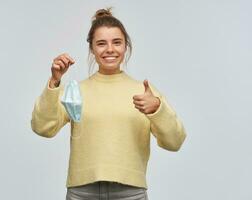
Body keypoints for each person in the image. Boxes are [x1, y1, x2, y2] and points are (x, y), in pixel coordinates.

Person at [31, 7, 186, 200]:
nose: (110, 49)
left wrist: (157, 109)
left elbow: (175, 141)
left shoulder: (144, 92)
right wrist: (54, 82)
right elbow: (42, 128)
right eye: (101, 43)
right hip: (82, 192)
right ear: (92, 49)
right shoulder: (76, 90)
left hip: (130, 193)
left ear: (126, 47)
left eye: (117, 42)